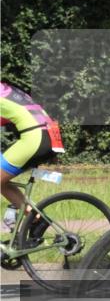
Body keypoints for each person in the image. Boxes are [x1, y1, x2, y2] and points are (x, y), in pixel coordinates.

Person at [1, 82, 65, 212]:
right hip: (49, 135)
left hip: (35, 137)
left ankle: (36, 220)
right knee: (2, 183)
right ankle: (36, 221)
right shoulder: (10, 90)